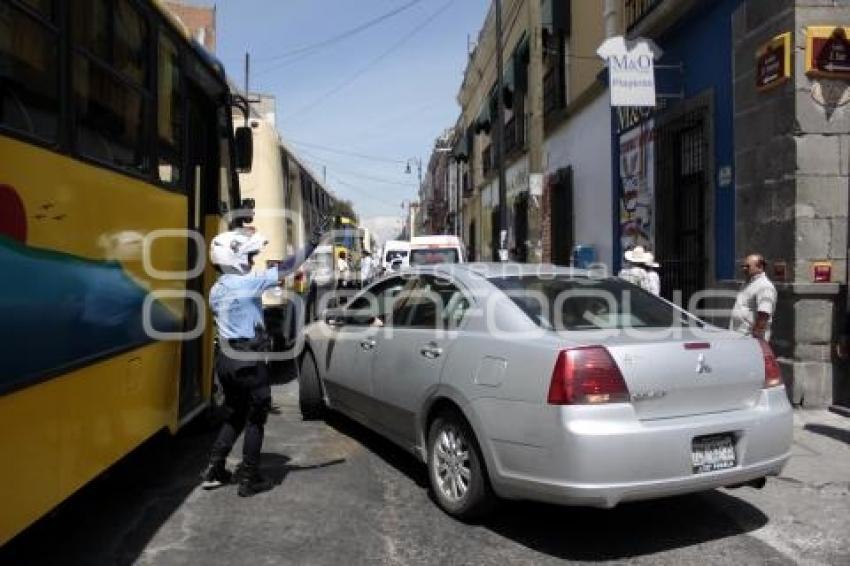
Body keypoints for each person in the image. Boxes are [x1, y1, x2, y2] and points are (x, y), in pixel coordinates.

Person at [202, 217, 330, 497]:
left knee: (235, 413)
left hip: (225, 361)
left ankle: (214, 469)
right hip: (248, 360)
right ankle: (249, 478)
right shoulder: (248, 284)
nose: (251, 260)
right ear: (235, 258)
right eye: (248, 256)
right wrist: (311, 243)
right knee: (255, 418)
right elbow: (287, 267)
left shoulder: (216, 290)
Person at [730, 253, 777, 341]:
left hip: (750, 339)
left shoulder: (764, 286)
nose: (744, 268)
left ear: (760, 266)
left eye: (747, 266)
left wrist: (756, 336)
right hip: (739, 336)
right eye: (743, 266)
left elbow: (764, 314)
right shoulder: (748, 283)